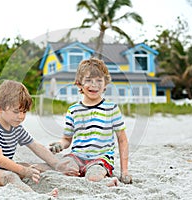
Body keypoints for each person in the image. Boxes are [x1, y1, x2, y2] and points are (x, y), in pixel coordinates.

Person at [0, 80, 78, 197]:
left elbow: (35, 146)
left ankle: (58, 169)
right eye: (16, 112)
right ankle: (36, 196)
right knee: (11, 176)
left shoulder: (15, 127)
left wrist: (56, 164)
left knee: (33, 167)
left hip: (2, 166)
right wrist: (24, 171)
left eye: (24, 112)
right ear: (0, 107)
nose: (21, 117)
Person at [49, 57, 132, 186]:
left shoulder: (111, 109)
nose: (94, 85)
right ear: (79, 83)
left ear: (105, 84)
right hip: (77, 157)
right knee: (63, 168)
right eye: (88, 80)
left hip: (101, 159)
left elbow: (122, 140)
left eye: (99, 81)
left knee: (93, 177)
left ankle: (109, 183)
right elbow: (66, 139)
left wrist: (124, 171)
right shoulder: (73, 110)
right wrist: (60, 144)